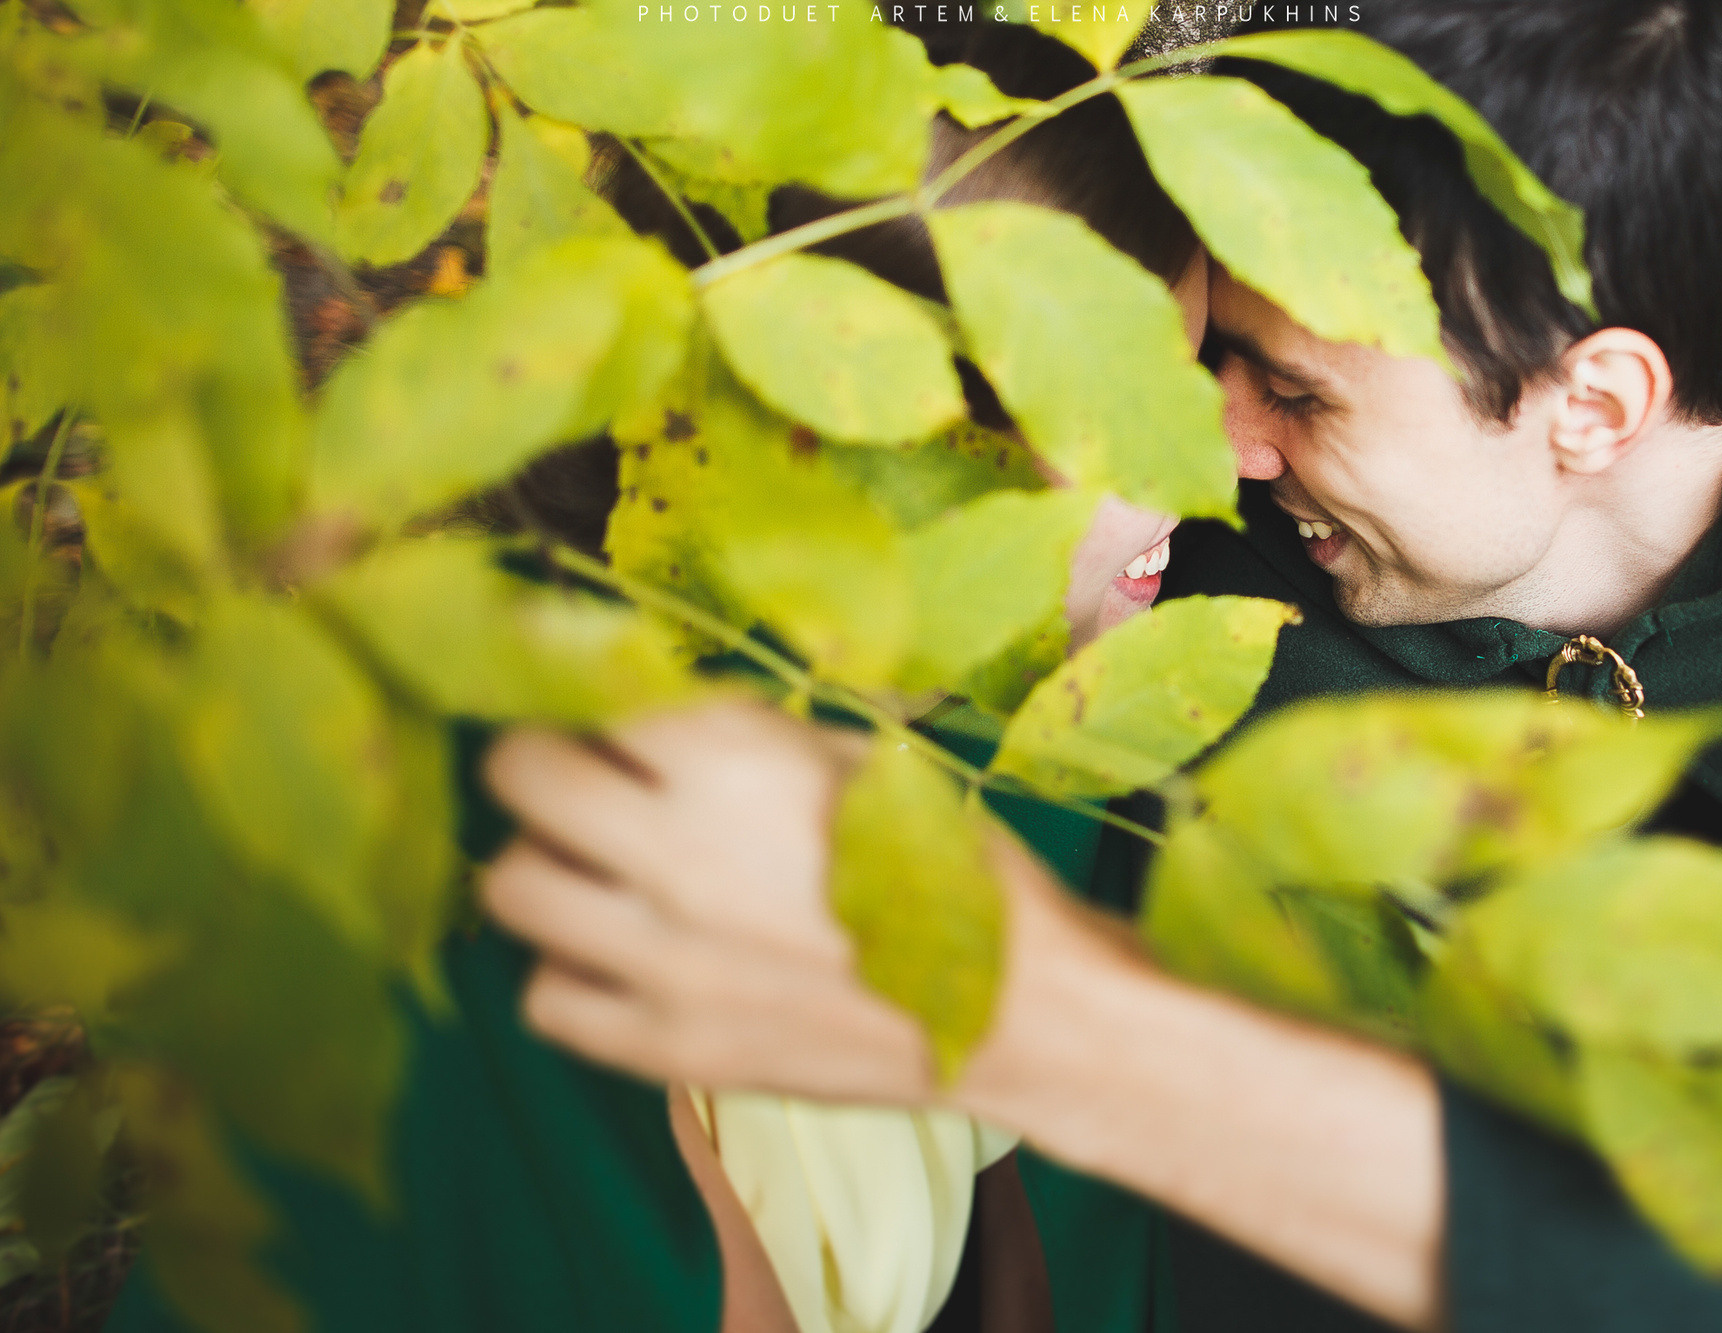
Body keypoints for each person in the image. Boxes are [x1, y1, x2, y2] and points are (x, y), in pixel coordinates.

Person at [480, 3, 1722, 1332]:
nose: (1212, 446)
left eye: (1299, 392)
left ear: (1594, 406)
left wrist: (1038, 1018)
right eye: (1214, 359)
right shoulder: (1150, 543)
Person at [104, 22, 1210, 1333]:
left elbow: (998, 1201)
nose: (1220, 465)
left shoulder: (987, 727)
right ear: (874, 432)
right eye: (1141, 407)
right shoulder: (544, 863)